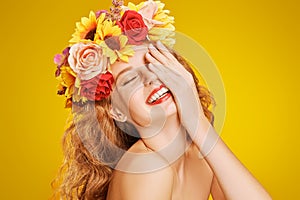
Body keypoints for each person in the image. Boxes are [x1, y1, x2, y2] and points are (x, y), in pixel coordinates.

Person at [52, 0, 272, 199]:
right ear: (116, 111)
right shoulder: (148, 165)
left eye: (154, 64)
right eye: (130, 81)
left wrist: (198, 124)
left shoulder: (199, 153)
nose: (151, 79)